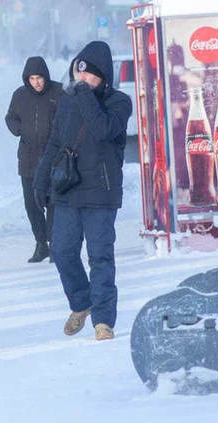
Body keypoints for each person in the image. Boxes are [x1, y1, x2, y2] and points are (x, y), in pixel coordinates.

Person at [33, 41, 131, 341]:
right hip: (69, 189)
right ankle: (81, 302)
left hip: (101, 193)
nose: (82, 80)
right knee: (62, 252)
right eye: (79, 73)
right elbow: (55, 143)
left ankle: (103, 320)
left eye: (89, 75)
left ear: (104, 77)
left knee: (100, 256)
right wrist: (41, 178)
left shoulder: (119, 102)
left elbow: (103, 130)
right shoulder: (67, 101)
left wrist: (85, 96)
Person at [5, 56, 63, 263]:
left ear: (46, 76)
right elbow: (10, 117)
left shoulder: (58, 93)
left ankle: (55, 244)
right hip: (28, 160)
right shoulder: (19, 96)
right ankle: (41, 244)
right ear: (26, 79)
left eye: (39, 77)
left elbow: (68, 119)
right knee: (32, 205)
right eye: (32, 78)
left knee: (53, 203)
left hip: (53, 160)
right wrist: (18, 130)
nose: (36, 82)